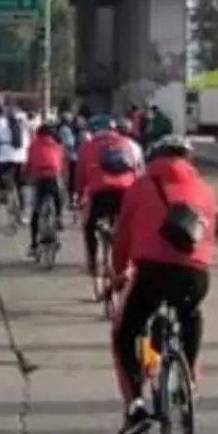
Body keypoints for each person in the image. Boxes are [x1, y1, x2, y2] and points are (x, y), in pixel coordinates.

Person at [109, 135, 216, 434]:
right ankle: (189, 379)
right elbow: (209, 238)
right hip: (196, 274)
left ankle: (135, 408)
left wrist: (119, 273)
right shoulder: (206, 190)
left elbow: (122, 237)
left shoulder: (141, 186)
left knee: (125, 332)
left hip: (152, 271)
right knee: (191, 313)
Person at [76, 118, 145, 299]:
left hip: (100, 191)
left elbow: (81, 175)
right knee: (126, 227)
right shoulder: (127, 145)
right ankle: (128, 262)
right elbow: (137, 171)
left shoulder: (88, 147)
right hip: (125, 190)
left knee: (90, 225)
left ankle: (93, 263)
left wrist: (78, 194)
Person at [24, 123, 66, 256]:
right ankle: (59, 217)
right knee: (59, 197)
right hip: (53, 176)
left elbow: (29, 163)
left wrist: (26, 177)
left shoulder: (34, 145)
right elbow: (61, 164)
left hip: (39, 178)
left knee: (36, 211)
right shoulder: (57, 145)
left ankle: (33, 245)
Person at [0, 105, 32, 215]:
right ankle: (23, 210)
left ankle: (2, 199)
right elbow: (29, 146)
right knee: (21, 186)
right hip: (21, 160)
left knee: (1, 180)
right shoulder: (25, 132)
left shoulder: (2, 130)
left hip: (5, 160)